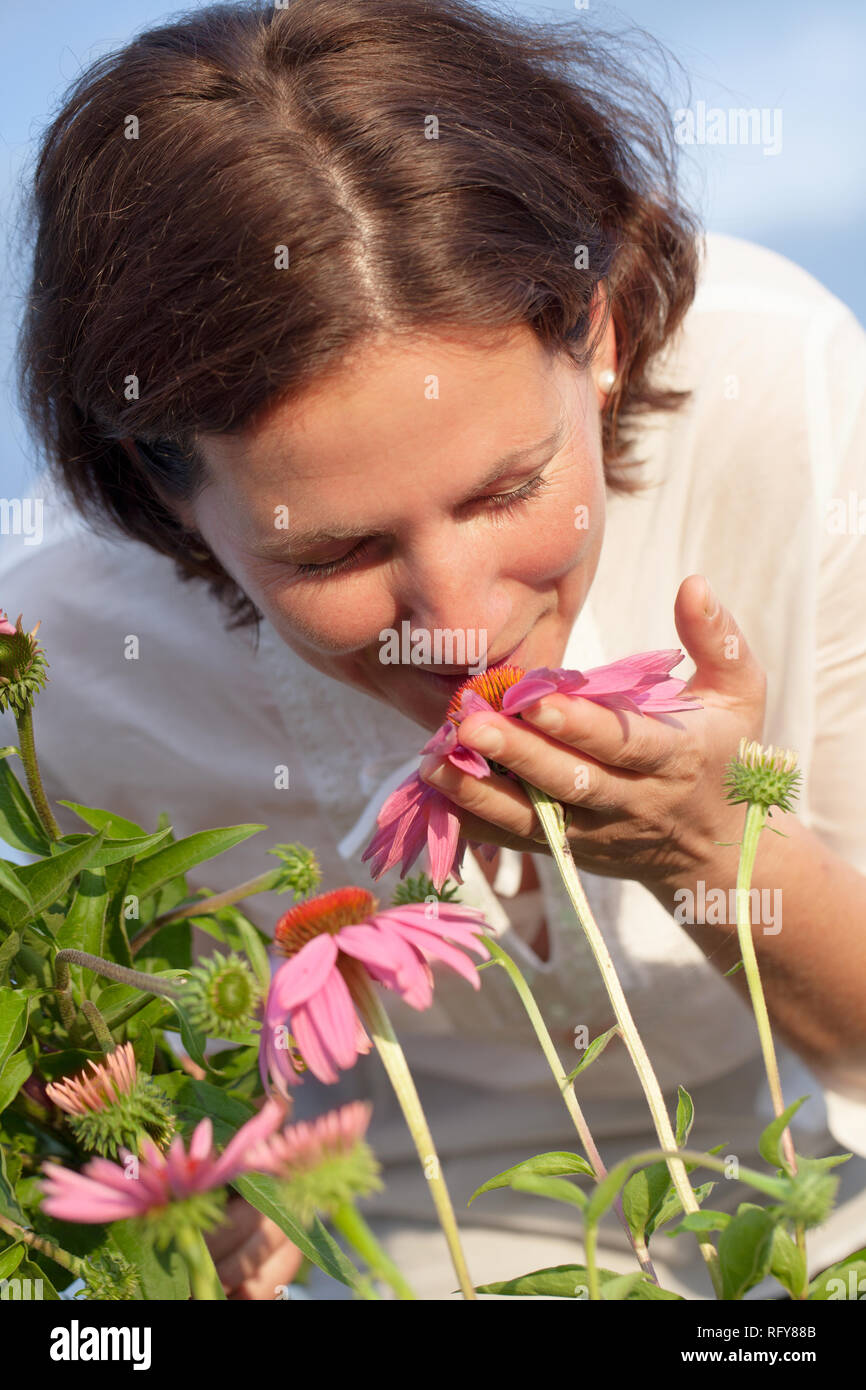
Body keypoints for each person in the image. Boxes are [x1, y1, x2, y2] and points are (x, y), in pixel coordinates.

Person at [3, 0, 866, 1300]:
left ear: (604, 328)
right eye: (336, 553)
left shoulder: (787, 405)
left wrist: (711, 846)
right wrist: (183, 1227)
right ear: (166, 490)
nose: (457, 612)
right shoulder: (68, 672)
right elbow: (145, 1099)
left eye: (506, 488)